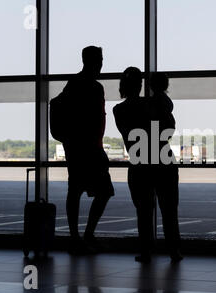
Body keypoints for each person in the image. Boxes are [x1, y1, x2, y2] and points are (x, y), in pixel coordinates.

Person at [61, 46, 114, 255]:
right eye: (99, 59)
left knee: (75, 191)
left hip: (77, 148)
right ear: (90, 61)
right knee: (103, 191)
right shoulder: (93, 87)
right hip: (90, 148)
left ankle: (77, 237)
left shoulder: (74, 84)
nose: (101, 64)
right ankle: (84, 236)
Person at [113, 67, 154, 263]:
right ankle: (171, 249)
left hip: (136, 163)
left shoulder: (118, 110)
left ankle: (145, 249)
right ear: (140, 85)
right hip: (155, 160)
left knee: (142, 210)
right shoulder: (148, 105)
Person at [149, 72, 182, 262]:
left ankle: (147, 249)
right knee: (170, 209)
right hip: (165, 158)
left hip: (146, 157)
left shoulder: (148, 106)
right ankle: (174, 249)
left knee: (146, 209)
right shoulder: (167, 107)